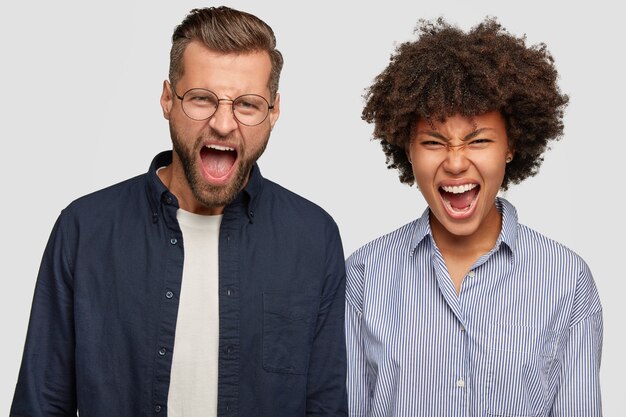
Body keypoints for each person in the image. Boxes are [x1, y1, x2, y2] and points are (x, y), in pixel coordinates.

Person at [11, 6, 347, 417]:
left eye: (247, 104)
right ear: (168, 99)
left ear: (273, 111)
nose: (223, 124)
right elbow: (41, 403)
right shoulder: (84, 230)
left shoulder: (313, 238)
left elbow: (325, 405)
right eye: (202, 99)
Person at [345, 17, 602, 417]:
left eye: (478, 140)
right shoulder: (364, 276)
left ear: (511, 146)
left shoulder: (566, 281)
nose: (456, 162)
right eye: (433, 142)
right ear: (408, 150)